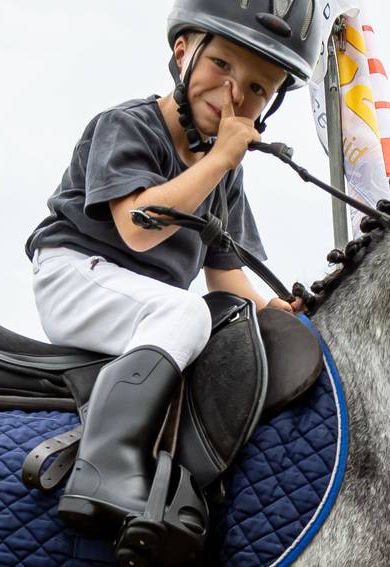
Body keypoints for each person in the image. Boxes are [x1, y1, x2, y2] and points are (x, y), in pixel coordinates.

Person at [22, 0, 322, 539]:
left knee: (222, 322)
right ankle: (104, 468)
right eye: (223, 66)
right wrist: (220, 160)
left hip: (150, 307)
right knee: (185, 313)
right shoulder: (127, 125)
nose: (235, 93)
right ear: (182, 53)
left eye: (259, 88)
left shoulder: (223, 178)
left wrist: (276, 312)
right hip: (75, 274)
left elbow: (225, 277)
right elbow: (139, 225)